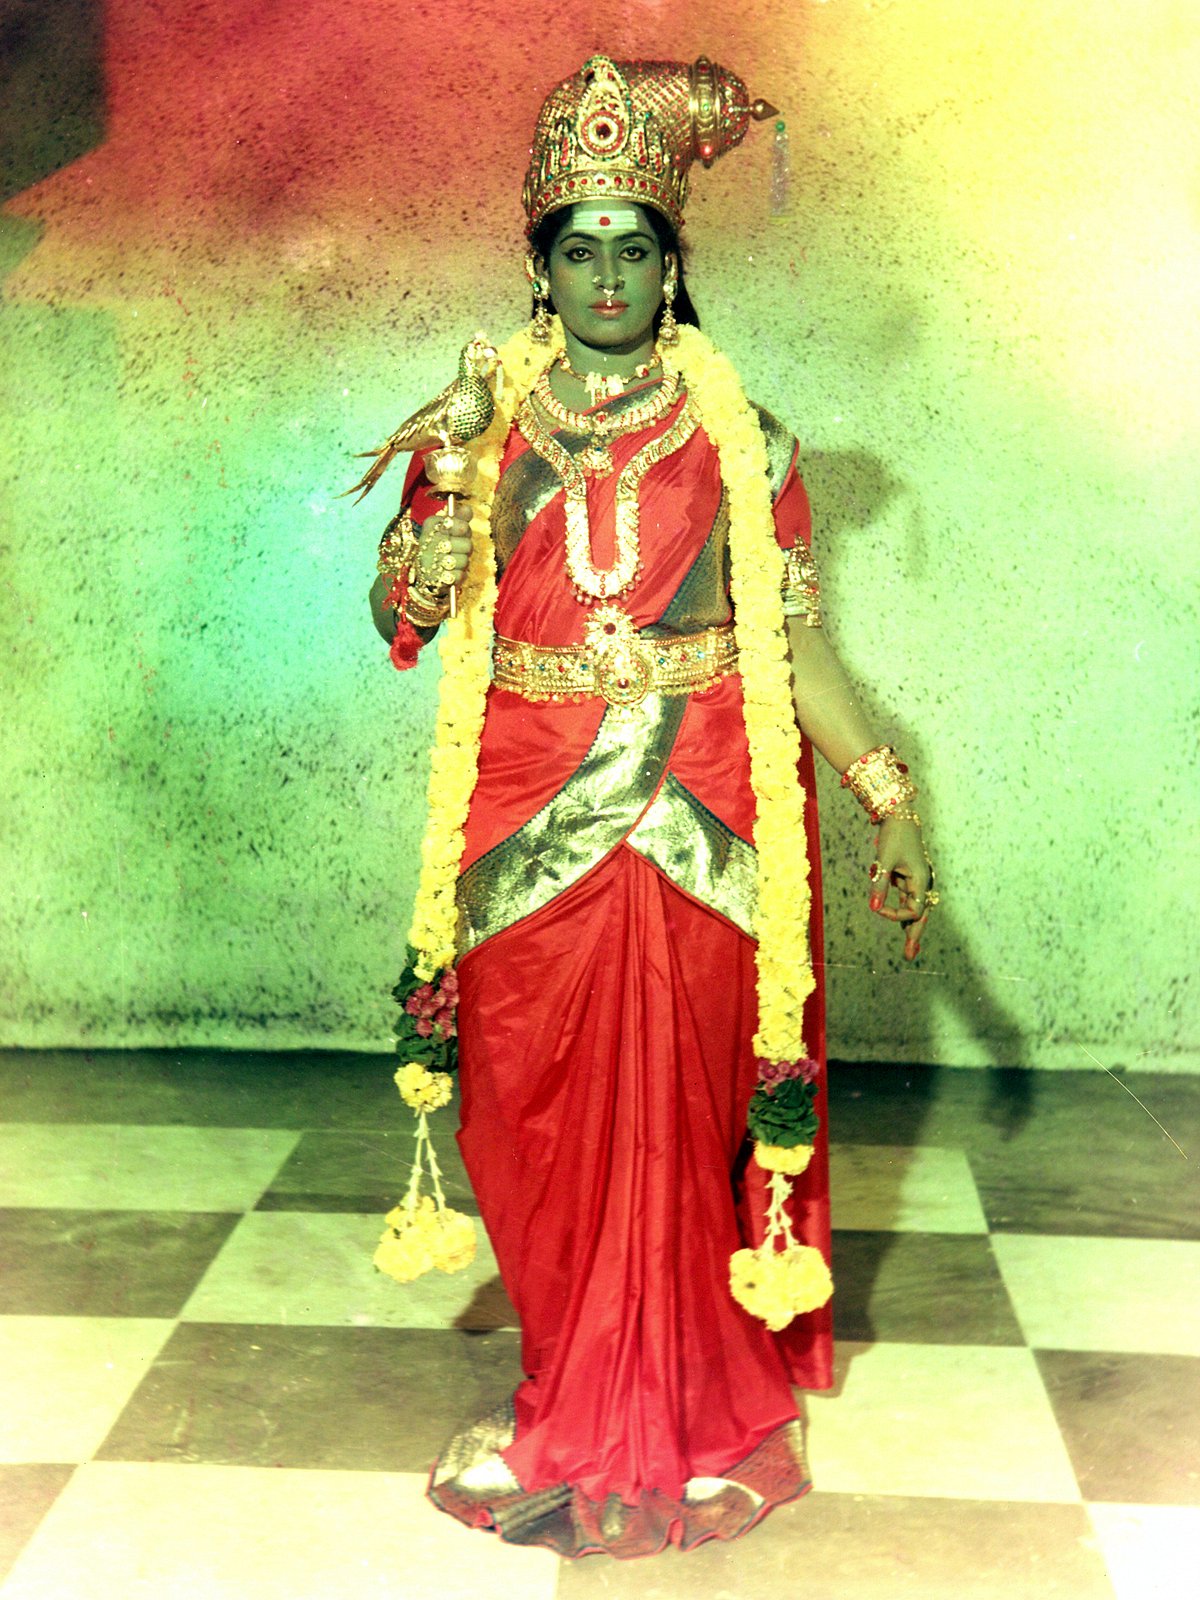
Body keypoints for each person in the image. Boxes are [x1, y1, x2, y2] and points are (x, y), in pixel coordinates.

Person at [365, 55, 935, 1560]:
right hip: (522, 815)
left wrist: (885, 792)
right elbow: (402, 616)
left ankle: (688, 1414)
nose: (608, 275)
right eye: (581, 248)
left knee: (686, 1128)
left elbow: (790, 642)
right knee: (521, 1119)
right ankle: (567, 1387)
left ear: (673, 265)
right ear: (541, 267)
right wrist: (425, 543)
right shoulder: (477, 427)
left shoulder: (747, 441)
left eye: (635, 247)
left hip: (698, 817)